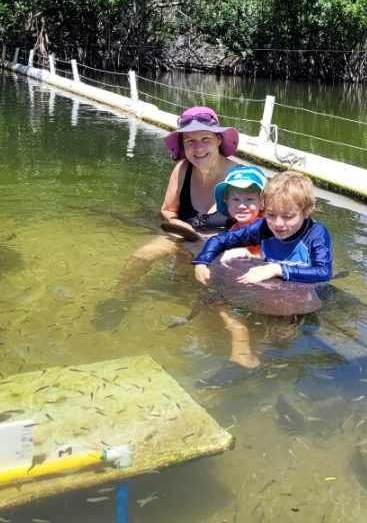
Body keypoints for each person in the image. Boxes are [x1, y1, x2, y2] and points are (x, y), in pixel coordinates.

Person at [101, 106, 240, 319]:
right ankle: (120, 297)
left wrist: (210, 243)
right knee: (140, 256)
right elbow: (167, 211)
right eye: (190, 141)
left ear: (219, 140)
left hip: (222, 246)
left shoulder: (239, 177)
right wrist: (183, 230)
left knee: (206, 293)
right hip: (182, 234)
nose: (198, 148)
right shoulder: (183, 169)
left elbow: (257, 225)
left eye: (205, 139)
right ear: (183, 145)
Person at [193, 171, 333, 285]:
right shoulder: (263, 226)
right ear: (264, 208)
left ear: (307, 212)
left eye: (288, 216)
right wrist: (202, 262)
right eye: (271, 214)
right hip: (273, 288)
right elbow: (220, 240)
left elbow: (323, 272)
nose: (278, 223)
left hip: (306, 291)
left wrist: (277, 269)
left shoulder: (316, 233)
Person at [208, 164, 268, 368]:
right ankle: (244, 351)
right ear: (226, 202)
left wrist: (249, 253)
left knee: (229, 309)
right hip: (243, 283)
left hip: (264, 288)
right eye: (236, 199)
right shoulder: (235, 227)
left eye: (249, 199)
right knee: (213, 297)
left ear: (262, 202)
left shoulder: (267, 225)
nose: (242, 205)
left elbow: (280, 253)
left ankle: (242, 353)